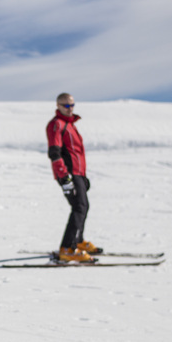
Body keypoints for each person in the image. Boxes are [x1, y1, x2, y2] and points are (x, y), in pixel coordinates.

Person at [46, 92, 99, 262]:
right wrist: (64, 177)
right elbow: (55, 152)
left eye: (72, 105)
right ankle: (67, 248)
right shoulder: (57, 125)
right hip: (68, 174)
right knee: (79, 208)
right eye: (66, 105)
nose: (70, 109)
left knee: (83, 207)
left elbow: (76, 154)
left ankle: (78, 241)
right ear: (58, 106)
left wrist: (82, 176)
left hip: (77, 174)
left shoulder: (70, 125)